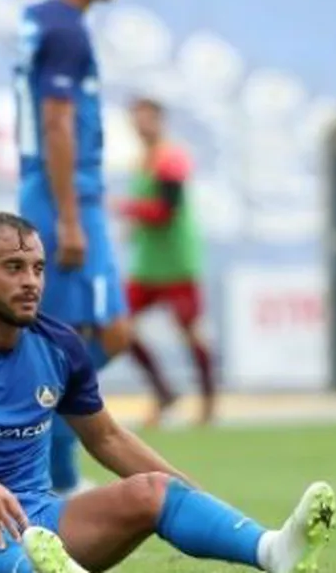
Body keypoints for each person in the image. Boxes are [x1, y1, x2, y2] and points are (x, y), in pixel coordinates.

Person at [0, 212, 336, 573]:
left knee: (152, 491)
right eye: (14, 267)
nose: (31, 281)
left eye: (38, 268)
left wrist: (188, 496)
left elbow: (106, 438)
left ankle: (274, 552)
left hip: (41, 519)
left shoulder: (60, 346)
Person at [14, 0, 133, 497]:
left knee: (74, 337)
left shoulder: (39, 18)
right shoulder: (65, 30)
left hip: (52, 188)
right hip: (67, 195)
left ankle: (54, 467)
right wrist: (66, 217)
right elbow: (57, 121)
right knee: (98, 334)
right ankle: (40, 451)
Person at [114, 97, 213, 427]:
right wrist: (132, 224)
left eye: (146, 119)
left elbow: (165, 211)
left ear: (159, 120)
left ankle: (208, 401)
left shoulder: (172, 158)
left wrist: (130, 210)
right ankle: (164, 392)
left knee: (190, 331)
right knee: (119, 326)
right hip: (147, 264)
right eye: (136, 120)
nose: (141, 126)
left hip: (176, 262)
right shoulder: (141, 160)